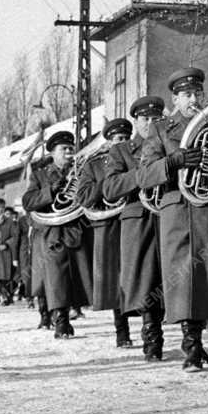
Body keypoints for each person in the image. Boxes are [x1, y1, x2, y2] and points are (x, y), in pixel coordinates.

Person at [136, 68, 208, 372]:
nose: (194, 99)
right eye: (187, 95)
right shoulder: (160, 130)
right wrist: (175, 161)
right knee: (183, 278)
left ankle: (205, 336)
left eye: (198, 93)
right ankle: (191, 346)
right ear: (175, 99)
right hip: (178, 210)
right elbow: (144, 175)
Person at [104, 95, 165, 360]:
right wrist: (143, 176)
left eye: (155, 118)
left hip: (167, 214)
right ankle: (151, 337)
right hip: (138, 219)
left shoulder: (170, 143)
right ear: (136, 122)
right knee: (144, 280)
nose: (150, 123)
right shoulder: (121, 151)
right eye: (144, 119)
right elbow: (110, 188)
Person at [22, 131, 93, 339]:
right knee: (56, 278)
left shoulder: (80, 172)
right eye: (64, 149)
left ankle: (68, 314)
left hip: (75, 229)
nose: (69, 153)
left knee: (75, 277)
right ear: (52, 153)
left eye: (71, 148)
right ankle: (61, 321)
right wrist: (52, 191)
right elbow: (28, 202)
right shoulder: (40, 175)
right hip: (51, 232)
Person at [78, 117, 132, 346]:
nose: (122, 143)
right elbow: (83, 197)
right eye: (118, 139)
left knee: (137, 274)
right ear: (109, 141)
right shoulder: (94, 165)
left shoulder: (136, 157)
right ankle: (122, 330)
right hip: (108, 225)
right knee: (115, 280)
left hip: (132, 219)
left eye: (126, 139)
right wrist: (108, 184)